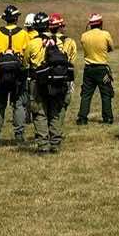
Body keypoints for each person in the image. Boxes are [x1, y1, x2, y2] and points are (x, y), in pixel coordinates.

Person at [24, 12, 78, 155]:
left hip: (38, 82)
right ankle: (55, 143)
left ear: (35, 27)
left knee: (39, 112)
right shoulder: (60, 42)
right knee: (55, 111)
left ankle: (43, 145)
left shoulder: (32, 43)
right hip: (57, 81)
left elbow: (25, 62)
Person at [0, 4, 30, 144]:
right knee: (18, 105)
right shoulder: (24, 34)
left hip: (0, 74)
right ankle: (19, 136)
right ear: (17, 18)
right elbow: (27, 56)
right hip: (18, 75)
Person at [76, 12, 114, 126]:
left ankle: (82, 118)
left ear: (90, 24)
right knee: (106, 93)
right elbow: (111, 48)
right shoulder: (105, 34)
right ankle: (107, 118)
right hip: (102, 68)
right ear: (100, 23)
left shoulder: (84, 36)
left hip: (88, 69)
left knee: (86, 94)